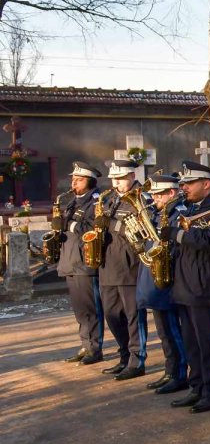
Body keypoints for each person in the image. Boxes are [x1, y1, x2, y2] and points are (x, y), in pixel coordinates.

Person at [165, 161, 210, 414]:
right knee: (191, 342)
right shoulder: (192, 206)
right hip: (186, 283)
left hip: (206, 284)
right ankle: (196, 387)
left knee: (208, 343)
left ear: (206, 184)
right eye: (183, 183)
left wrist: (178, 235)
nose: (183, 187)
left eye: (189, 183)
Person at [136, 172, 190, 395]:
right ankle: (170, 371)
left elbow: (179, 245)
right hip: (155, 276)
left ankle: (178, 373)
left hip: (170, 278)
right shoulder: (156, 212)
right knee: (163, 331)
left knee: (172, 330)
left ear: (171, 193)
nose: (155, 199)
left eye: (159, 195)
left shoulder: (179, 213)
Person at [98, 159, 148, 381]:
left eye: (120, 178)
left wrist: (111, 225)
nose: (116, 183)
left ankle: (137, 359)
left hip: (129, 265)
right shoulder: (108, 199)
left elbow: (142, 232)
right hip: (107, 264)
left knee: (133, 315)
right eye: (114, 179)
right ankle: (124, 354)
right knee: (111, 314)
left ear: (131, 176)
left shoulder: (140, 198)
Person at [57, 161, 106, 365]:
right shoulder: (72, 201)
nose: (74, 183)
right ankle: (85, 344)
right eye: (73, 179)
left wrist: (70, 224)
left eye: (78, 180)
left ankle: (94, 348)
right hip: (70, 260)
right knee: (80, 310)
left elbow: (92, 230)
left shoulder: (95, 202)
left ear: (90, 181)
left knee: (91, 308)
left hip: (85, 262)